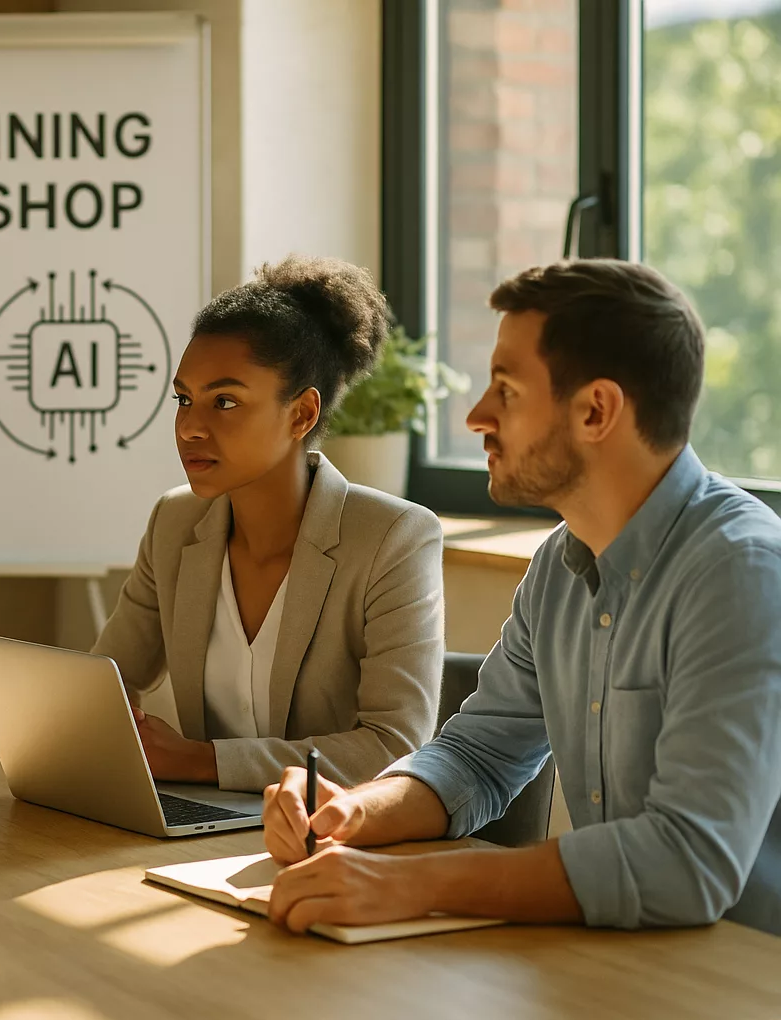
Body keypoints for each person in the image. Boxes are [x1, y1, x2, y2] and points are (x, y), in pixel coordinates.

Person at [260, 259, 781, 937]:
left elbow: (686, 863)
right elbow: (478, 758)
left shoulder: (741, 574)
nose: (476, 415)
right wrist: (357, 812)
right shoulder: (560, 568)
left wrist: (411, 884)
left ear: (596, 410)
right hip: (619, 964)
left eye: (505, 389)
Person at [92, 255, 445, 794]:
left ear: (301, 414)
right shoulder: (174, 520)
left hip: (334, 842)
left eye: (224, 401)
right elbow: (103, 686)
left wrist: (200, 761)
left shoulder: (394, 539)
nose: (188, 427)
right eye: (184, 399)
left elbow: (393, 747)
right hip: (202, 834)